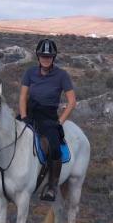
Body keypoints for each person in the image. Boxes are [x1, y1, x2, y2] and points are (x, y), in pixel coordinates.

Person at [19, 38, 76, 202]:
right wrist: (23, 116)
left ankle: (51, 185)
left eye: (49, 56)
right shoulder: (29, 73)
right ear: (38, 56)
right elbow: (23, 96)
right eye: (43, 56)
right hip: (29, 112)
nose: (46, 58)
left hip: (49, 116)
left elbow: (72, 102)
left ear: (53, 57)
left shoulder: (62, 75)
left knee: (54, 146)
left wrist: (60, 122)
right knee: (6, 133)